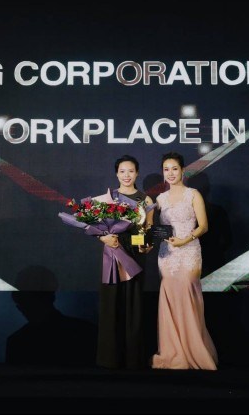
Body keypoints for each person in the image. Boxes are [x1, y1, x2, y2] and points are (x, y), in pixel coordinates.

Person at [151, 152, 218, 370]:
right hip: (167, 255)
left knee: (188, 296)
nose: (170, 173)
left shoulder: (193, 194)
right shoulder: (160, 199)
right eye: (166, 169)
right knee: (170, 297)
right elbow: (151, 227)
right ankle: (173, 352)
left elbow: (203, 226)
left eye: (174, 169)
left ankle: (194, 351)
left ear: (183, 171)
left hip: (189, 251)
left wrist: (184, 240)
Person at [96, 154, 154, 369]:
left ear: (137, 173)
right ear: (116, 174)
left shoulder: (145, 200)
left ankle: (133, 359)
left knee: (134, 303)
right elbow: (98, 227)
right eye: (122, 171)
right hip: (113, 250)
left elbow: (148, 228)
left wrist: (147, 244)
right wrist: (103, 238)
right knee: (112, 302)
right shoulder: (108, 198)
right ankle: (109, 358)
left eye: (131, 171)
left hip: (135, 253)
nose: (126, 175)